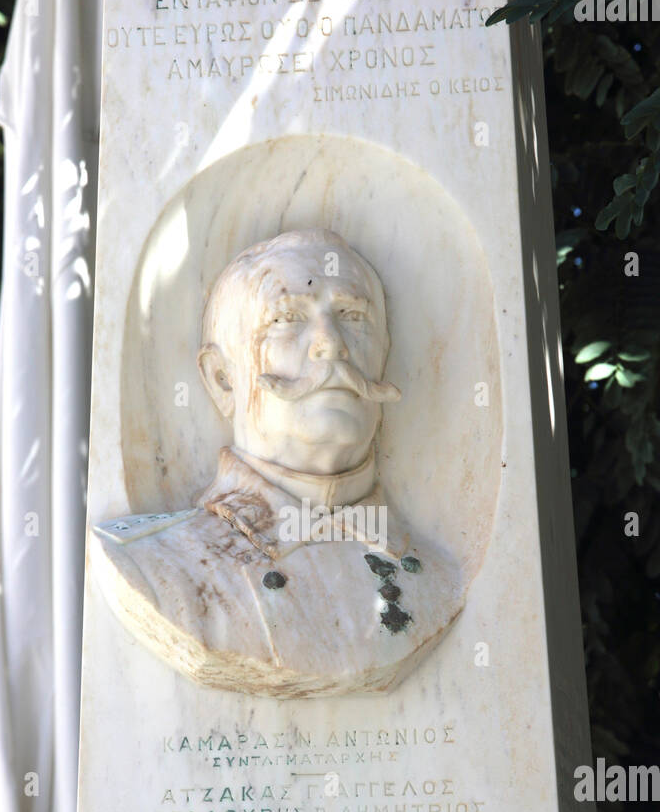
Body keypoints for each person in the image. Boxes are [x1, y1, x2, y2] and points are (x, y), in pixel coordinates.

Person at [91, 228, 463, 696]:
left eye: (352, 315)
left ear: (383, 355)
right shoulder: (153, 566)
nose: (331, 344)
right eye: (287, 318)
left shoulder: (440, 580)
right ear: (222, 380)